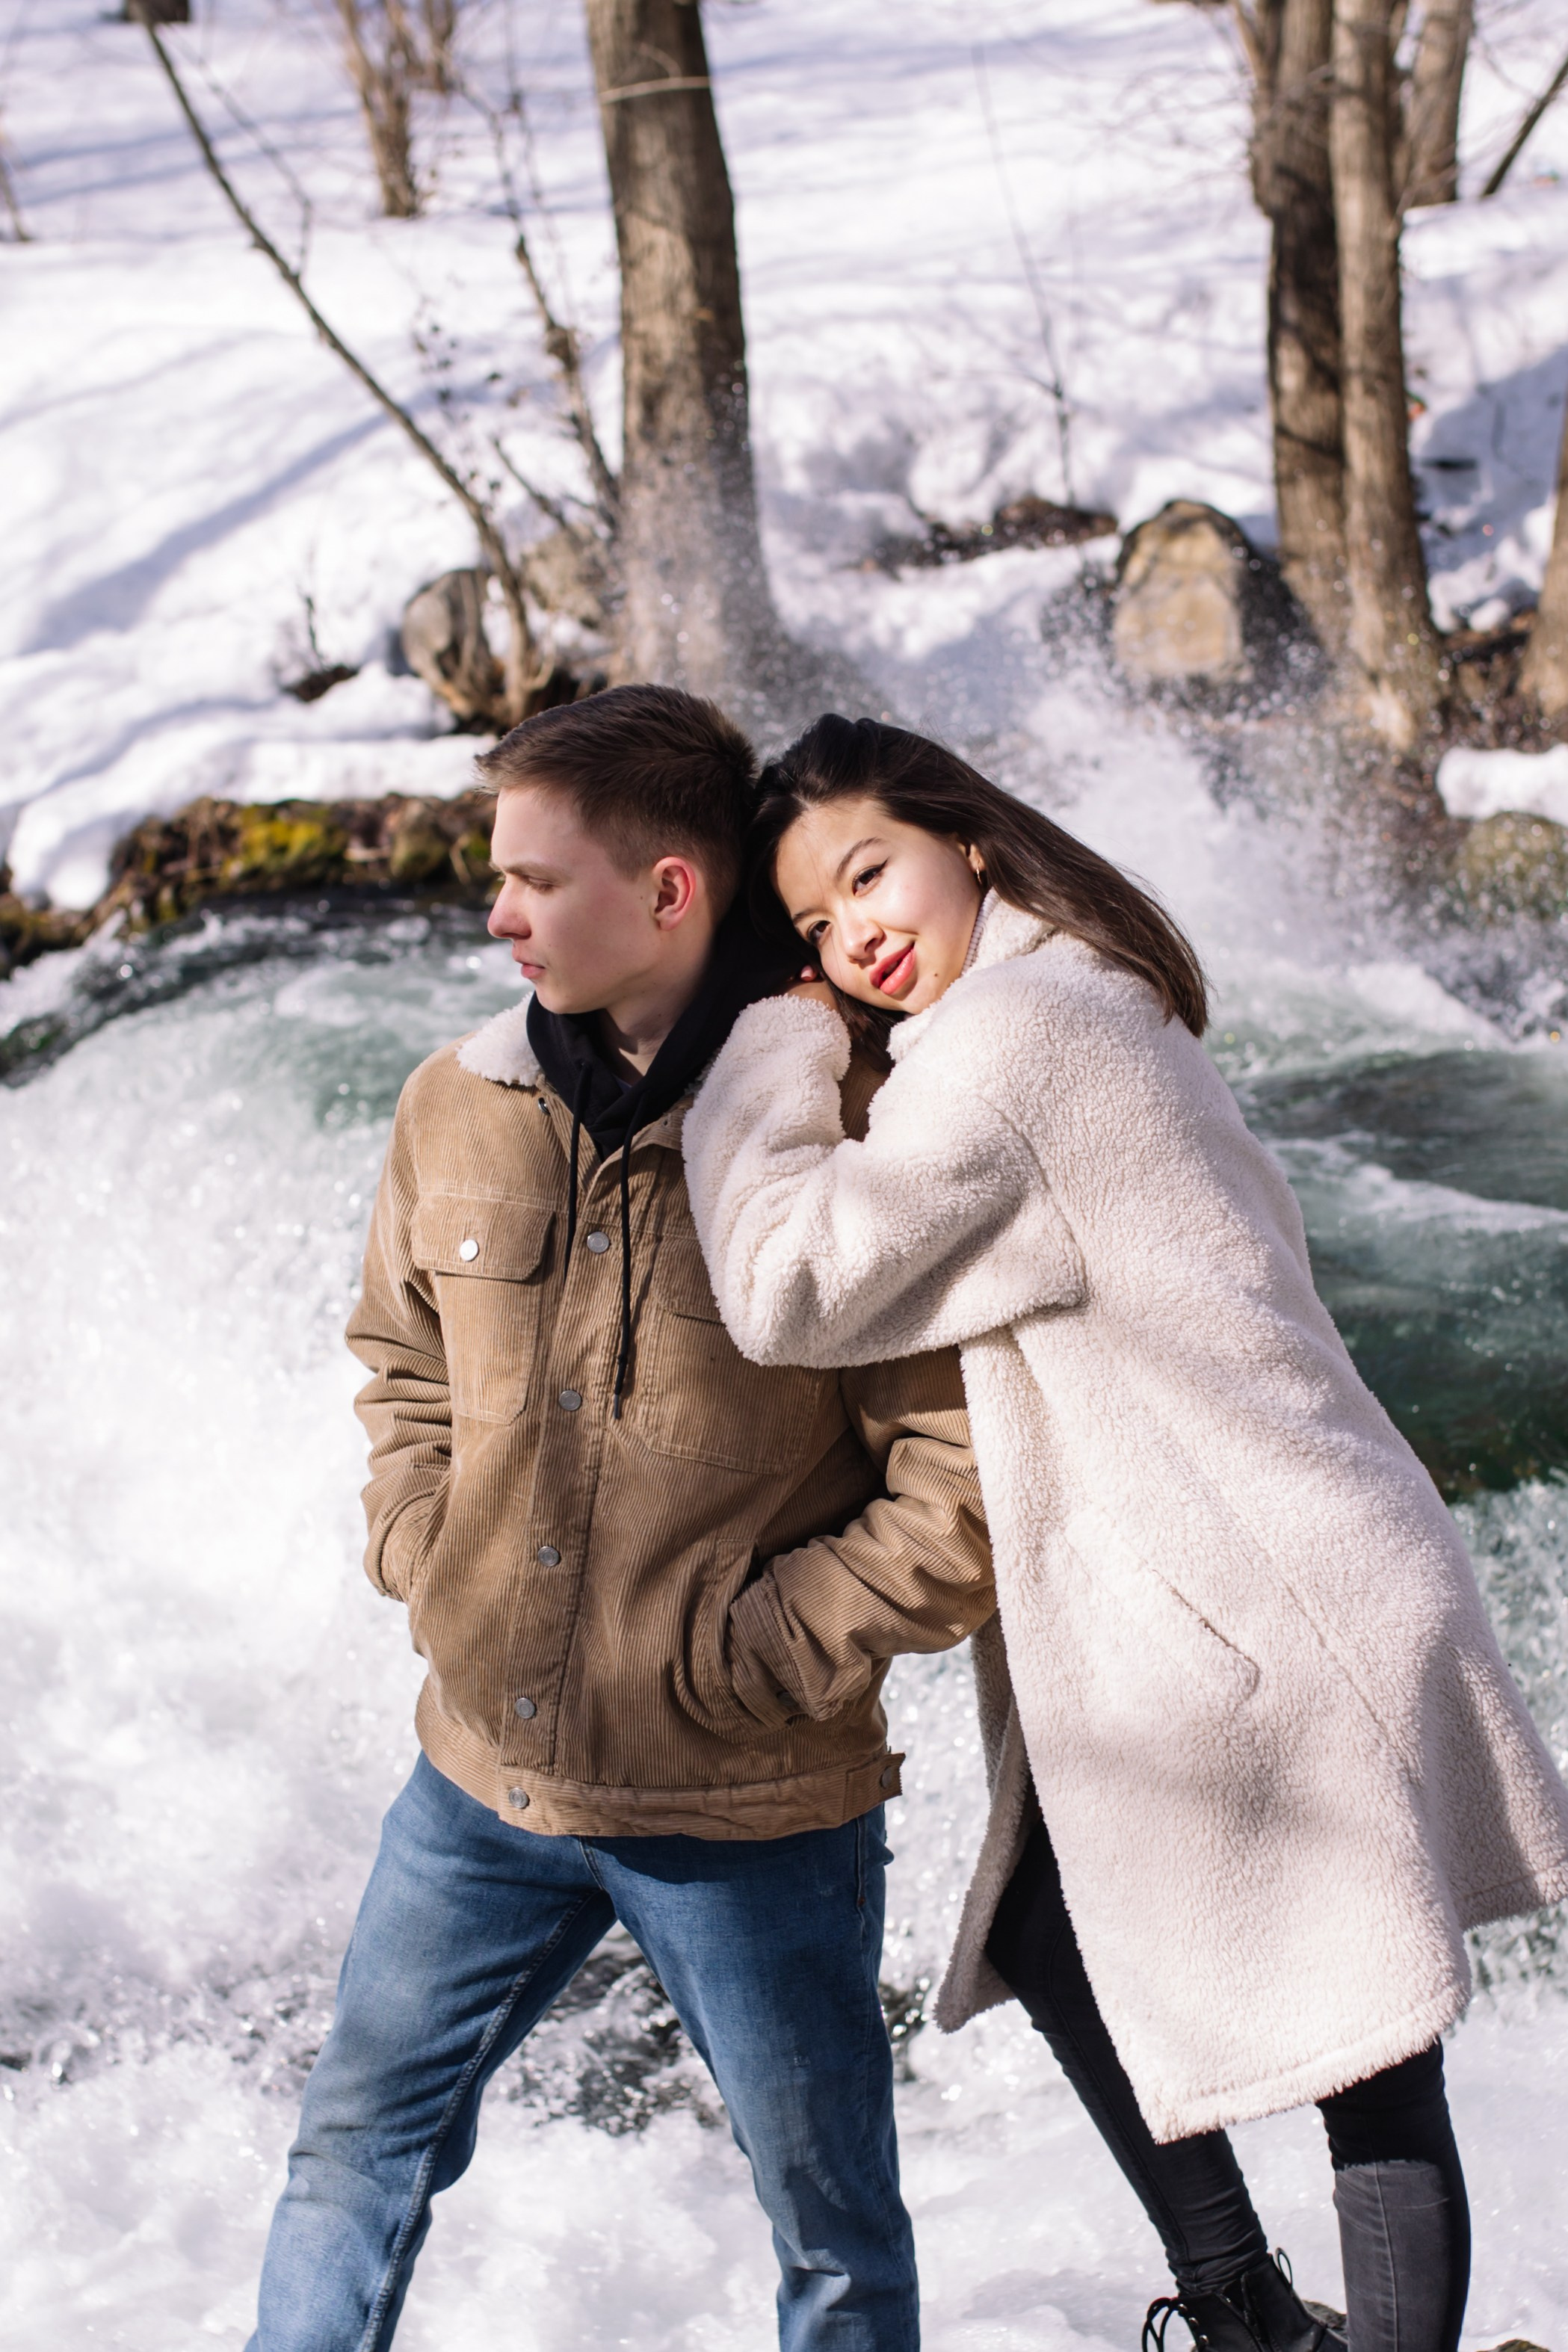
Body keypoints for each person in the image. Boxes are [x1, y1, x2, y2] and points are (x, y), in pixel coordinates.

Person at [682, 714, 1568, 2352]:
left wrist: (774, 1039)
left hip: (1270, 1588)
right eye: (811, 923)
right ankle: (1245, 2312)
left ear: (961, 837)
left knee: (1369, 2052)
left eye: (866, 874)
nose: (852, 938)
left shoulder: (1009, 1045)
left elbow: (784, 1282)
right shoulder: (1081, 985)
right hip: (1260, 1564)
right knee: (1054, 1927)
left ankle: (1268, 2322)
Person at [246, 687, 998, 2352]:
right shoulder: (457, 1102)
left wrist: (753, 1656)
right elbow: (400, 1365)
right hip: (475, 1781)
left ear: (668, 892)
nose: (495, 915)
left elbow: (959, 1485)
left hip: (746, 1806)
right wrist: (426, 1554)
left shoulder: (853, 1132)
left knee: (832, 2238)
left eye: (533, 878)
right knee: (350, 2153)